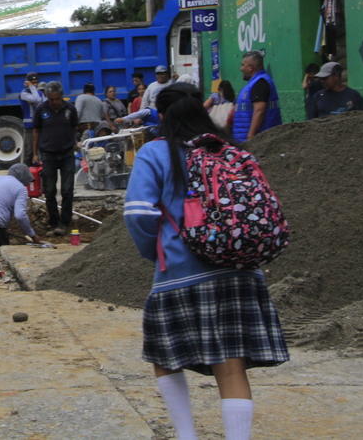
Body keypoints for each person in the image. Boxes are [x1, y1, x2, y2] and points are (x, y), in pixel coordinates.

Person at [123, 83, 288, 440]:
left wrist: (156, 250)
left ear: (163, 116)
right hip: (240, 270)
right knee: (230, 366)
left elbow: (137, 212)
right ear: (201, 109)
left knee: (165, 358)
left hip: (180, 274)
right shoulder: (229, 150)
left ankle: (186, 436)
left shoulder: (156, 152)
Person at [31, 81, 78, 233]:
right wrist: (35, 153)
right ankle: (53, 222)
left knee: (67, 189)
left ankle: (65, 222)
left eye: (57, 99)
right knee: (49, 190)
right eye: (51, 99)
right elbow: (36, 131)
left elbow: (74, 127)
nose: (54, 102)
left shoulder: (70, 109)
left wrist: (75, 143)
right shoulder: (41, 110)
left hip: (67, 154)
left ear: (61, 97)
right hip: (48, 155)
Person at [233, 51, 282, 141]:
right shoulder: (254, 83)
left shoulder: (260, 83)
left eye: (243, 65)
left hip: (257, 140)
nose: (241, 68)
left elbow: (259, 111)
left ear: (250, 68)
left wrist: (251, 136)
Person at [19, 72, 45, 162]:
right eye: (32, 82)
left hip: (40, 126)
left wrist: (33, 88)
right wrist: (31, 87)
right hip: (29, 126)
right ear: (27, 82)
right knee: (29, 151)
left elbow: (42, 103)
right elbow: (36, 99)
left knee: (41, 150)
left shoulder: (40, 93)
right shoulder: (24, 93)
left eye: (36, 82)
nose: (35, 84)